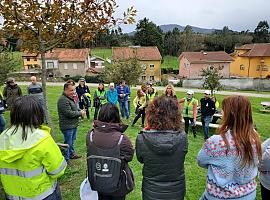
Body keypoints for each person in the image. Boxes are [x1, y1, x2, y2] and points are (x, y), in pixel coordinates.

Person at [0, 95, 66, 199]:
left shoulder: (2, 137)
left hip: (13, 196)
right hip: (43, 195)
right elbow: (57, 170)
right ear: (37, 114)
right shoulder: (42, 139)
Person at [197, 95, 262, 200]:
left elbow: (201, 161)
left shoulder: (215, 142)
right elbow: (257, 162)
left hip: (219, 196)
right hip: (248, 195)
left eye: (223, 110)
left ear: (229, 114)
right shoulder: (255, 139)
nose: (222, 113)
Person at [136, 96, 188, 200]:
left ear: (152, 114)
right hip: (176, 190)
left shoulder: (142, 138)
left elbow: (141, 159)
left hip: (151, 189)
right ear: (175, 115)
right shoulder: (182, 137)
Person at [86, 103, 134, 200]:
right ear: (116, 116)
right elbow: (129, 156)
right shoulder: (122, 139)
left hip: (98, 179)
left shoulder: (90, 136)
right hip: (118, 183)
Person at [57, 82, 86, 162]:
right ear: (65, 90)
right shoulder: (63, 100)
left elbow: (74, 108)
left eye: (74, 90)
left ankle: (71, 154)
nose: (73, 92)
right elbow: (68, 113)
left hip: (72, 125)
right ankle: (66, 159)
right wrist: (80, 113)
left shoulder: (69, 98)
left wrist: (80, 110)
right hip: (67, 126)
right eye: (71, 90)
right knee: (68, 143)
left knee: (72, 141)